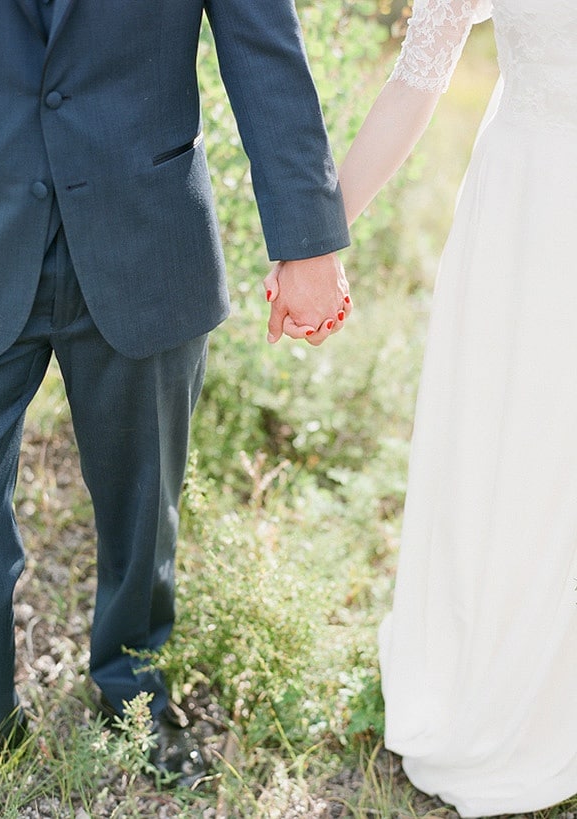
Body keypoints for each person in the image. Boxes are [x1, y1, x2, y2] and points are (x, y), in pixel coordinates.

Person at [0, 0, 352, 781]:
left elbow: (263, 47)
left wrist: (308, 241)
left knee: (145, 510)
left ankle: (134, 697)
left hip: (146, 235)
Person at [337, 0, 577, 815]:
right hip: (533, 215)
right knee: (522, 442)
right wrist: (316, 236)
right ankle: (508, 678)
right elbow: (418, 80)